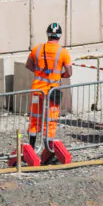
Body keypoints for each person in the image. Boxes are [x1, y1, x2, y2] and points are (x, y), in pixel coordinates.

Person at [27, 22, 70, 150]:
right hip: (51, 92)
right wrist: (60, 75)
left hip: (37, 90)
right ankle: (48, 148)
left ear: (48, 34)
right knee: (50, 120)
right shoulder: (63, 53)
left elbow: (28, 65)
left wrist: (39, 72)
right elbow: (69, 72)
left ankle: (31, 147)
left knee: (34, 118)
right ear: (59, 36)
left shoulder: (37, 49)